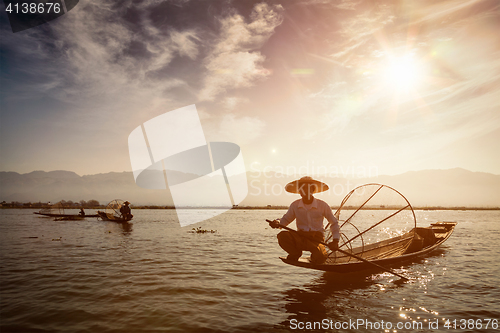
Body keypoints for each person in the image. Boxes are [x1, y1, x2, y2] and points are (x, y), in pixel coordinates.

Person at [268, 176, 340, 264]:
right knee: (282, 236)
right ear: (300, 192)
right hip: (300, 237)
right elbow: (286, 219)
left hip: (316, 239)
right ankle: (295, 253)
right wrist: (277, 223)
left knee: (320, 258)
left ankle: (316, 255)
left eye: (308, 189)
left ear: (312, 191)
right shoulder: (295, 205)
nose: (305, 192)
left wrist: (335, 240)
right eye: (302, 189)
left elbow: (334, 222)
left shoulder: (322, 205)